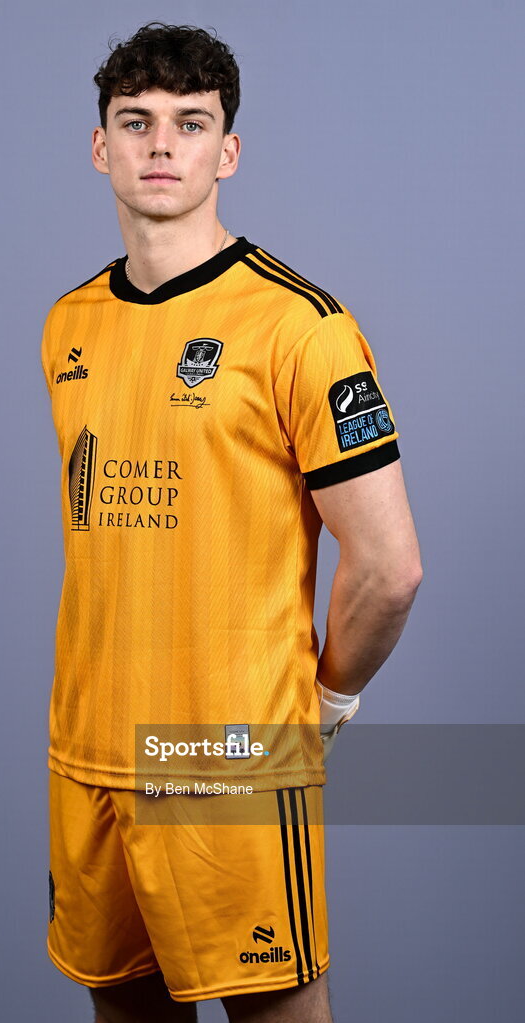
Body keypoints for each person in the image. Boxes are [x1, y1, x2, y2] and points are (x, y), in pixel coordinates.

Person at [40, 21, 422, 1023]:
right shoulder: (69, 323)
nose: (160, 145)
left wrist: (324, 707)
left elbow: (388, 567)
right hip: (89, 758)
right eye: (136, 123)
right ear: (100, 146)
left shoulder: (301, 327)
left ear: (228, 151)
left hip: (229, 765)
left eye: (189, 124)